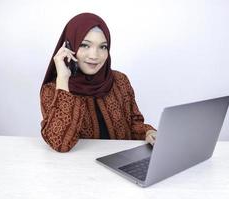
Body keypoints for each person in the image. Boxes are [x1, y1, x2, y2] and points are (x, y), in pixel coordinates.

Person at [40, 13, 156, 152]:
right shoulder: (53, 89)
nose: (94, 56)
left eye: (103, 47)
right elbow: (60, 143)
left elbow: (134, 124)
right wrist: (63, 79)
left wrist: (148, 133)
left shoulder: (120, 81)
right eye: (85, 45)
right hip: (79, 170)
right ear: (69, 46)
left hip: (119, 165)